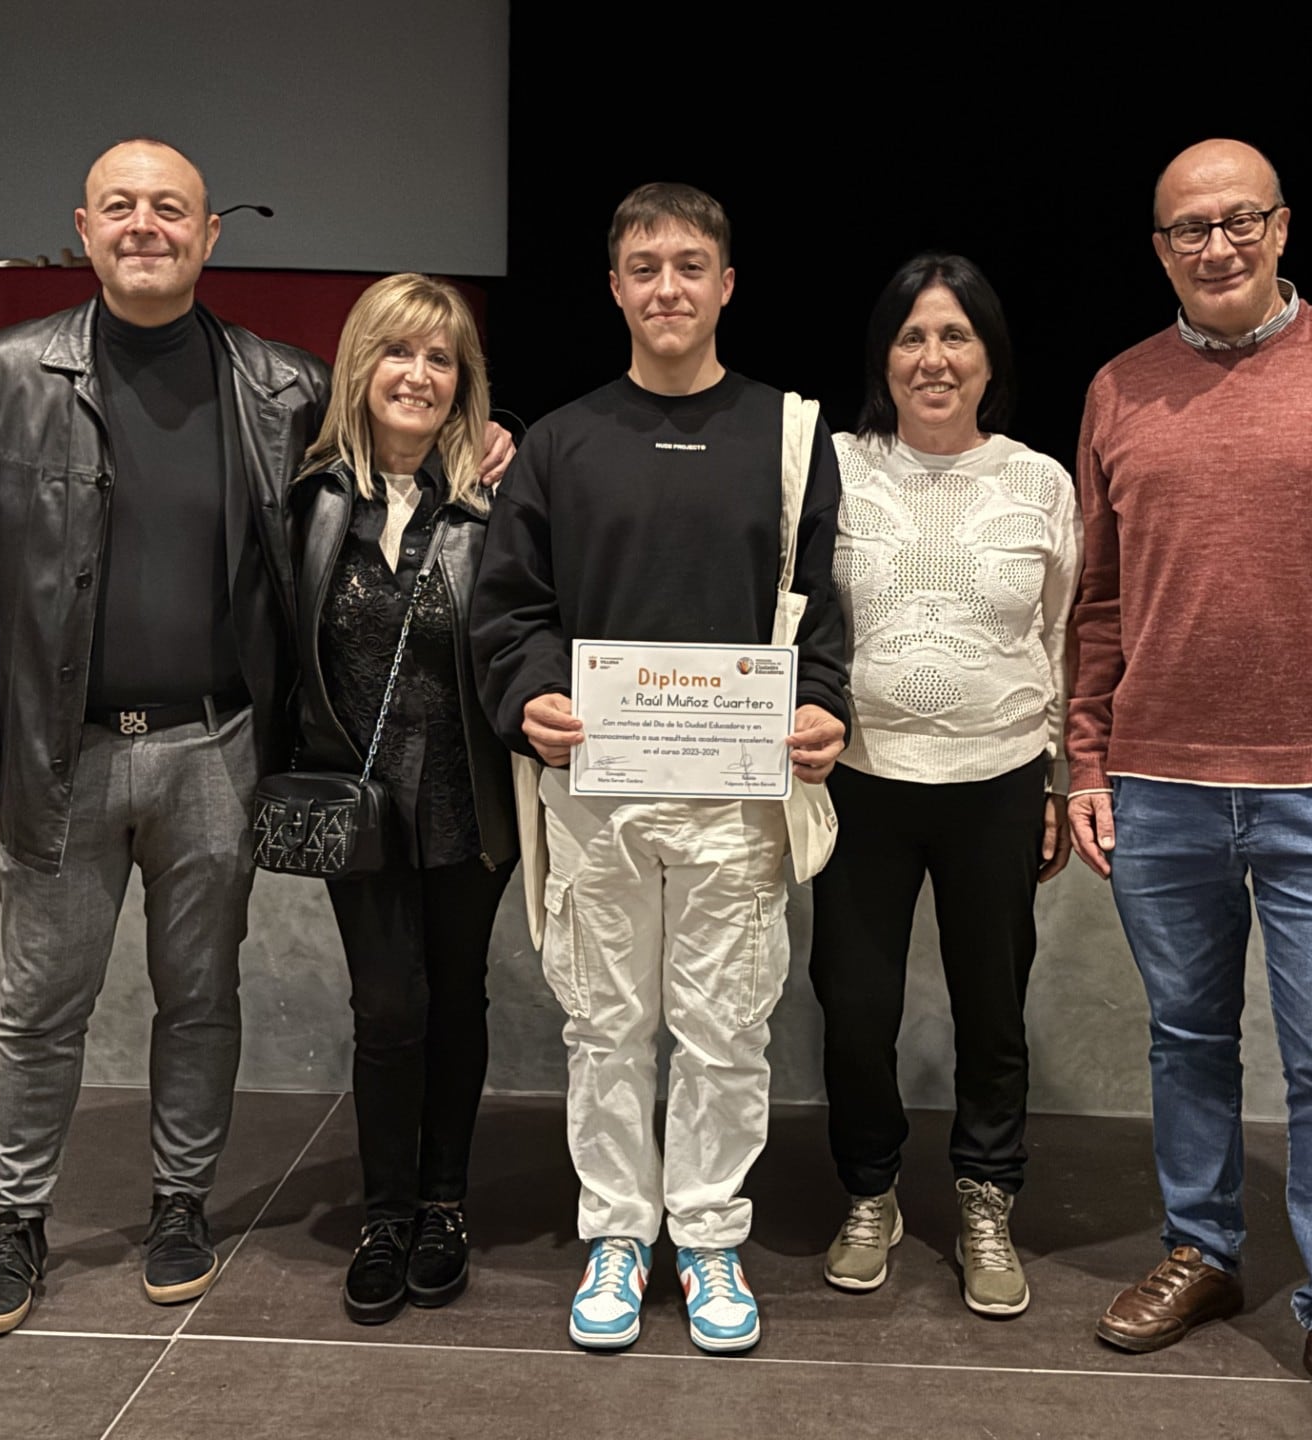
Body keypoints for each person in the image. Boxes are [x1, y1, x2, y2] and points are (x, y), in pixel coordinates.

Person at [0, 138, 511, 1338]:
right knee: (41, 1002)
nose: (148, 226)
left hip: (216, 749)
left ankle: (183, 1201)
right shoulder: (2, 375)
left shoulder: (279, 386)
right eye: (123, 207)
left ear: (211, 234)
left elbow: (400, 439)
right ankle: (14, 1221)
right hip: (58, 753)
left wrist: (489, 446)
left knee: (201, 995)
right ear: (81, 225)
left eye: (172, 209)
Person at [1066, 139, 1312, 1440]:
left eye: (1240, 221)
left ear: (1284, 228)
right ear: (1161, 247)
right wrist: (1085, 756)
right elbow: (1099, 602)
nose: (1216, 246)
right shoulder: (1120, 389)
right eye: (1189, 229)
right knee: (1186, 1041)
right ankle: (1204, 1247)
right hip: (1160, 785)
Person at [469, 182, 850, 1354]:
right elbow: (510, 607)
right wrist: (528, 692)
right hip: (600, 789)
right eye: (645, 267)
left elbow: (827, 605)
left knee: (729, 1027)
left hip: (737, 792)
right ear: (616, 286)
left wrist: (824, 705)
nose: (668, 288)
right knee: (606, 1026)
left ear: (727, 284)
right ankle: (621, 1234)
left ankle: (712, 1236)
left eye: (690, 265)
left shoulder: (789, 434)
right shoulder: (561, 441)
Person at [809, 254, 1080, 1318]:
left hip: (998, 781)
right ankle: (870, 1191)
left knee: (992, 1006)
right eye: (913, 337)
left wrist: (1058, 778)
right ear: (885, 355)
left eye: (956, 336)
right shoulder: (831, 467)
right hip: (860, 783)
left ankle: (984, 1196)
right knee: (853, 1006)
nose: (933, 358)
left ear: (988, 358)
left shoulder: (1039, 482)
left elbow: (1064, 633)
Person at [287, 274, 516, 1324]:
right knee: (387, 1009)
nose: (418, 376)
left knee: (456, 1001)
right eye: (399, 352)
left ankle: (445, 1204)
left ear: (462, 382)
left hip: (469, 803)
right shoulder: (309, 492)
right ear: (361, 365)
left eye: (441, 358)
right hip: (361, 809)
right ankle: (384, 1215)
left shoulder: (497, 500)